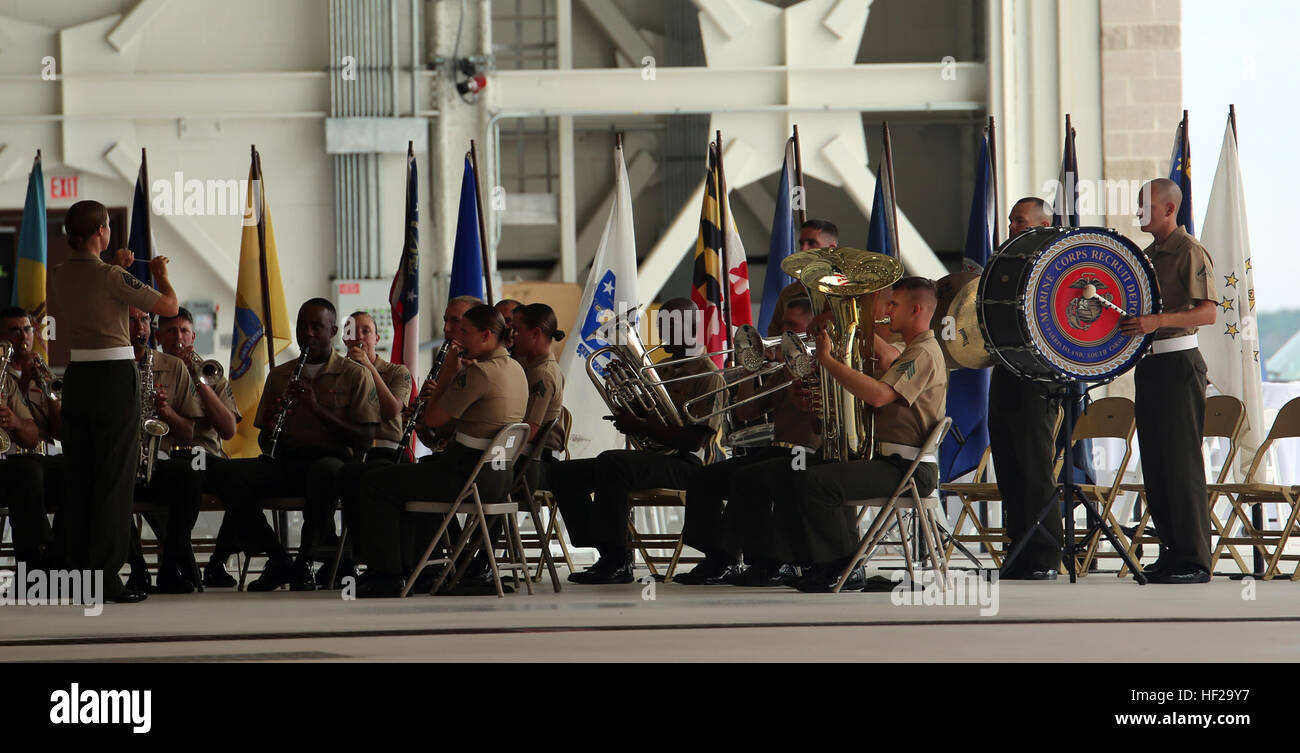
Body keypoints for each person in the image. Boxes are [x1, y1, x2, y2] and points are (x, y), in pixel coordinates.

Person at [742, 277, 947, 592]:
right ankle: (819, 562)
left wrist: (828, 361)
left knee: (817, 483)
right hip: (889, 460)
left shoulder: (923, 353)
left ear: (915, 309)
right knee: (804, 472)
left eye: (894, 304)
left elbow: (879, 396)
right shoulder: (913, 350)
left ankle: (843, 567)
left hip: (908, 468)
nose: (888, 310)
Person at [48, 199, 178, 604]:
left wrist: (118, 267)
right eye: (106, 227)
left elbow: (99, 291)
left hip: (78, 376)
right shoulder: (109, 276)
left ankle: (77, 576)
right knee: (114, 480)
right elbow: (169, 307)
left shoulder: (60, 274)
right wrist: (160, 275)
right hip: (113, 378)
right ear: (101, 232)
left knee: (82, 476)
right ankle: (105, 578)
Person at [206, 298, 380, 591]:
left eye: (317, 326)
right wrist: (272, 427)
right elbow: (264, 442)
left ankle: (305, 562)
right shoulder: (280, 375)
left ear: (333, 330)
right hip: (288, 461)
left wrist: (317, 409)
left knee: (323, 472)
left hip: (333, 464)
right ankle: (277, 558)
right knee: (223, 473)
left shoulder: (354, 374)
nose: (308, 333)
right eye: (302, 325)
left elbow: (364, 439)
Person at [354, 304, 527, 597]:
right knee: (413, 477)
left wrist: (448, 374)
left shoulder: (480, 373)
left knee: (375, 482)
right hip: (499, 478)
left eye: (465, 332)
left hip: (467, 476)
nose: (458, 339)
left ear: (486, 335)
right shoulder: (515, 368)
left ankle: (387, 574)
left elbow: (432, 420)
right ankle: (425, 569)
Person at [551, 298, 725, 585]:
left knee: (613, 463)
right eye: (661, 326)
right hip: (658, 458)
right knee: (563, 473)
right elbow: (648, 416)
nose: (661, 334)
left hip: (688, 465)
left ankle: (618, 560)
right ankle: (601, 546)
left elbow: (695, 441)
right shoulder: (664, 369)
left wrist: (642, 425)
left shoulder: (708, 374)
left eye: (668, 327)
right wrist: (624, 389)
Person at [675, 295, 820, 585]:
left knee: (750, 476)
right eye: (782, 326)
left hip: (808, 453)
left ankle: (767, 561)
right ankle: (717, 557)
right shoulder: (784, 369)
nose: (780, 334)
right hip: (778, 450)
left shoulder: (823, 368)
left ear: (810, 328)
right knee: (705, 477)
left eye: (790, 327)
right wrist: (747, 372)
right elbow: (745, 412)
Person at [1119, 178, 1218, 584]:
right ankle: (1172, 553)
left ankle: (1195, 559)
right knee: (1157, 466)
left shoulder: (1189, 251)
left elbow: (1208, 313)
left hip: (1179, 364)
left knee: (1181, 465)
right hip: (1152, 366)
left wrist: (1156, 322)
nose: (1139, 211)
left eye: (1145, 205)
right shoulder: (1147, 255)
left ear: (1169, 210)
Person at [990, 196, 1063, 581]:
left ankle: (1044, 555)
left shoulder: (1053, 265)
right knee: (1009, 465)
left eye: (1019, 221)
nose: (1012, 228)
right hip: (1005, 369)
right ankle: (1017, 550)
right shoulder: (1004, 264)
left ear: (1042, 224)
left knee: (1035, 468)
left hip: (1038, 376)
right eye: (1011, 221)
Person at [321, 310, 413, 588]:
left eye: (365, 332)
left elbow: (392, 410)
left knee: (357, 478)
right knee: (325, 475)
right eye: (352, 332)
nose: (359, 338)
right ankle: (334, 558)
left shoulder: (397, 372)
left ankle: (373, 562)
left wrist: (368, 370)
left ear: (377, 337)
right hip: (349, 451)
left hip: (386, 453)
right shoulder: (337, 374)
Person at [153, 307, 243, 587]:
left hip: (208, 457)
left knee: (243, 482)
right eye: (171, 331)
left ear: (194, 336)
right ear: (159, 337)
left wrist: (201, 383)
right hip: (167, 458)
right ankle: (177, 562)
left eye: (183, 331)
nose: (178, 338)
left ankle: (216, 563)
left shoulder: (211, 374)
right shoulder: (152, 370)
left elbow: (228, 430)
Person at [123, 307, 206, 594]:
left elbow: (188, 433)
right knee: (101, 481)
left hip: (159, 461)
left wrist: (167, 412)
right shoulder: (105, 368)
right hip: (120, 461)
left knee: (190, 473)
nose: (139, 327)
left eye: (144, 320)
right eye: (132, 320)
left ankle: (171, 566)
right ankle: (137, 567)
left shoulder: (173, 366)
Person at [0, 306, 64, 570]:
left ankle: (64, 552)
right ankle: (39, 558)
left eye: (26, 329)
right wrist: (23, 382)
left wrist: (51, 396)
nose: (22, 336)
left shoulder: (43, 371)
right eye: (13, 331)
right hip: (12, 462)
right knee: (26, 473)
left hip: (41, 458)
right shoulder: (4, 375)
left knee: (78, 471)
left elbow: (59, 432)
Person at [766, 219, 840, 337]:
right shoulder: (789, 293)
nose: (803, 249)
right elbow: (774, 335)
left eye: (811, 243)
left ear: (830, 249)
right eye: (801, 243)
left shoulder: (847, 290)